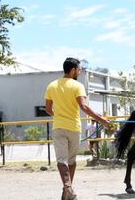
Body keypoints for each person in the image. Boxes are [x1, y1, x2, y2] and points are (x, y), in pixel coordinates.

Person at [45, 57, 110, 200]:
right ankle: (68, 187)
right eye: (79, 69)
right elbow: (84, 106)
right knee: (71, 161)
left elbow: (48, 109)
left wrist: (59, 116)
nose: (79, 72)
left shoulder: (52, 85)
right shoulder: (77, 86)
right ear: (73, 70)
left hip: (58, 127)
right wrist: (101, 119)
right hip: (74, 127)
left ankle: (66, 191)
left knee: (61, 160)